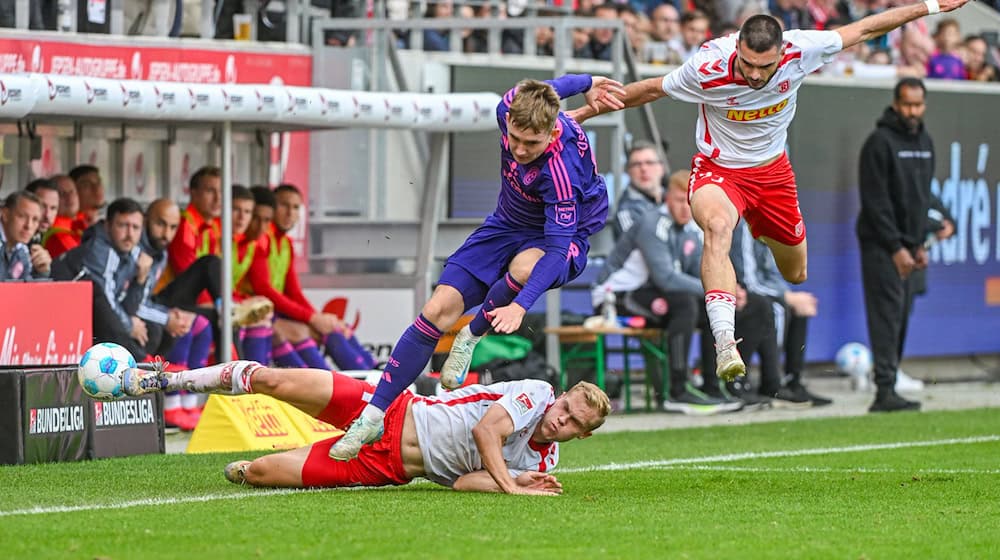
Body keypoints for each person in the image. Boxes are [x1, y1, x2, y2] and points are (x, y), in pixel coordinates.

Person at [569, 0, 971, 383]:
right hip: (719, 169)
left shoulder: (804, 50)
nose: (756, 76)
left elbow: (867, 27)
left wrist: (932, 7)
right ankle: (726, 340)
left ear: (781, 53)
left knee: (796, 273)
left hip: (772, 174)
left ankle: (761, 229)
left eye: (765, 66)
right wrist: (582, 113)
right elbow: (652, 89)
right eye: (748, 64)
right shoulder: (707, 67)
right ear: (737, 48)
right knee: (717, 229)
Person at [329, 74, 625, 461]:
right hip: (504, 225)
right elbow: (547, 88)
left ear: (552, 135)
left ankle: (473, 333)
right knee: (436, 311)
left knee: (525, 269)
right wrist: (585, 81)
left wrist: (520, 307)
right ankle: (372, 416)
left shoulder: (561, 174)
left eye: (530, 144)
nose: (518, 149)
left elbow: (554, 253)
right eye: (514, 139)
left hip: (561, 240)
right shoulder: (510, 109)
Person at [122, 360, 610, 493]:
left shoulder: (544, 462)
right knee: (272, 380)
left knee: (259, 473)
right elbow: (487, 432)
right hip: (388, 407)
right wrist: (514, 486)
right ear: (561, 395)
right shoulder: (537, 394)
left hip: (383, 463)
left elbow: (463, 481)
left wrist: (517, 479)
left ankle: (256, 466)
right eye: (566, 408)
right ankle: (165, 378)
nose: (559, 419)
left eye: (572, 424)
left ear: (582, 436)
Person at [593, 170, 744, 414]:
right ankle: (677, 390)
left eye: (689, 201)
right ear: (666, 198)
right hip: (616, 296)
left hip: (650, 293)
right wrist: (718, 291)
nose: (685, 207)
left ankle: (712, 386)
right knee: (685, 303)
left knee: (711, 310)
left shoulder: (691, 229)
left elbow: (701, 270)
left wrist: (724, 291)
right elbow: (666, 279)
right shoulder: (653, 223)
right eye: (678, 200)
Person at [857, 77, 949, 413]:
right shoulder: (879, 143)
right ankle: (883, 390)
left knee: (901, 317)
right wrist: (896, 247)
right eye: (907, 105)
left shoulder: (925, 140)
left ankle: (890, 383)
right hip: (882, 246)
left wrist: (919, 243)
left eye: (918, 105)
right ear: (896, 104)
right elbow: (876, 202)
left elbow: (921, 198)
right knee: (885, 317)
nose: (913, 111)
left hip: (909, 247)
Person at [246, 184, 375, 371]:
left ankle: (372, 374)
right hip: (258, 312)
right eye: (284, 205)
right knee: (311, 332)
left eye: (296, 207)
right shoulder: (262, 239)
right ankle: (335, 388)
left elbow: (293, 292)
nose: (290, 213)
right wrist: (313, 318)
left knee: (333, 328)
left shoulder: (285, 244)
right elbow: (264, 289)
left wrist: (316, 318)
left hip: (269, 311)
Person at [730, 221, 832, 406]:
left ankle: (793, 381)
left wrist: (790, 296)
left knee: (798, 308)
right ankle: (772, 383)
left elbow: (773, 275)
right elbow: (748, 281)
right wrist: (787, 297)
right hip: (738, 295)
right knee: (778, 308)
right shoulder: (744, 225)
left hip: (758, 293)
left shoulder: (771, 224)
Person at [612, 141, 667, 239]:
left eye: (649, 163)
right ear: (628, 171)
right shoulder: (626, 212)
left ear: (661, 168)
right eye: (636, 164)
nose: (644, 168)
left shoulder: (678, 199)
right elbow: (650, 247)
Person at [0, 190, 50, 281]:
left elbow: (27, 292)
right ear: (5, 214)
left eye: (35, 220)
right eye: (22, 216)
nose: (28, 226)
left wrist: (41, 271)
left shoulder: (22, 250)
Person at [44, 174, 81, 258]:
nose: (69, 197)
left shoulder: (80, 224)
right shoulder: (56, 234)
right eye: (62, 193)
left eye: (72, 191)